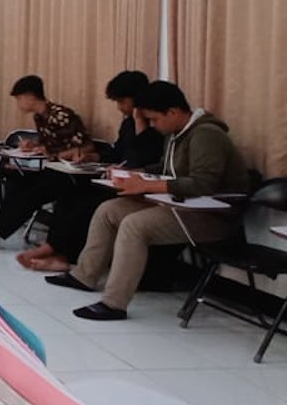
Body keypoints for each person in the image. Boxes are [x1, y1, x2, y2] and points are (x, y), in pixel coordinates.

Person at [47, 80, 249, 321]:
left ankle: (114, 303)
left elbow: (203, 184)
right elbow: (164, 168)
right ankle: (84, 275)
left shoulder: (206, 135)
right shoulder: (175, 134)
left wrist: (146, 185)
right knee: (109, 210)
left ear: (173, 112)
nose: (152, 125)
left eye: (154, 119)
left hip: (213, 216)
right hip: (180, 204)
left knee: (135, 225)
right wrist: (135, 173)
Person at [19, 71, 165, 272]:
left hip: (139, 186)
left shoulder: (156, 124)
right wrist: (91, 157)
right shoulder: (128, 124)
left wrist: (141, 123)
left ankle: (64, 256)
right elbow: (116, 153)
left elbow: (146, 159)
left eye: (122, 101)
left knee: (89, 204)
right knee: (71, 194)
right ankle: (54, 247)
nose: (119, 107)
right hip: (115, 180)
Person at [0, 74, 94, 250]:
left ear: (29, 96)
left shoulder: (60, 115)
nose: (18, 104)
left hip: (70, 174)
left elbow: (86, 147)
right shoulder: (40, 117)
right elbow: (52, 142)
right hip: (54, 169)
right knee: (19, 184)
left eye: (19, 99)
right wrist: (34, 145)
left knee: (34, 192)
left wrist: (53, 153)